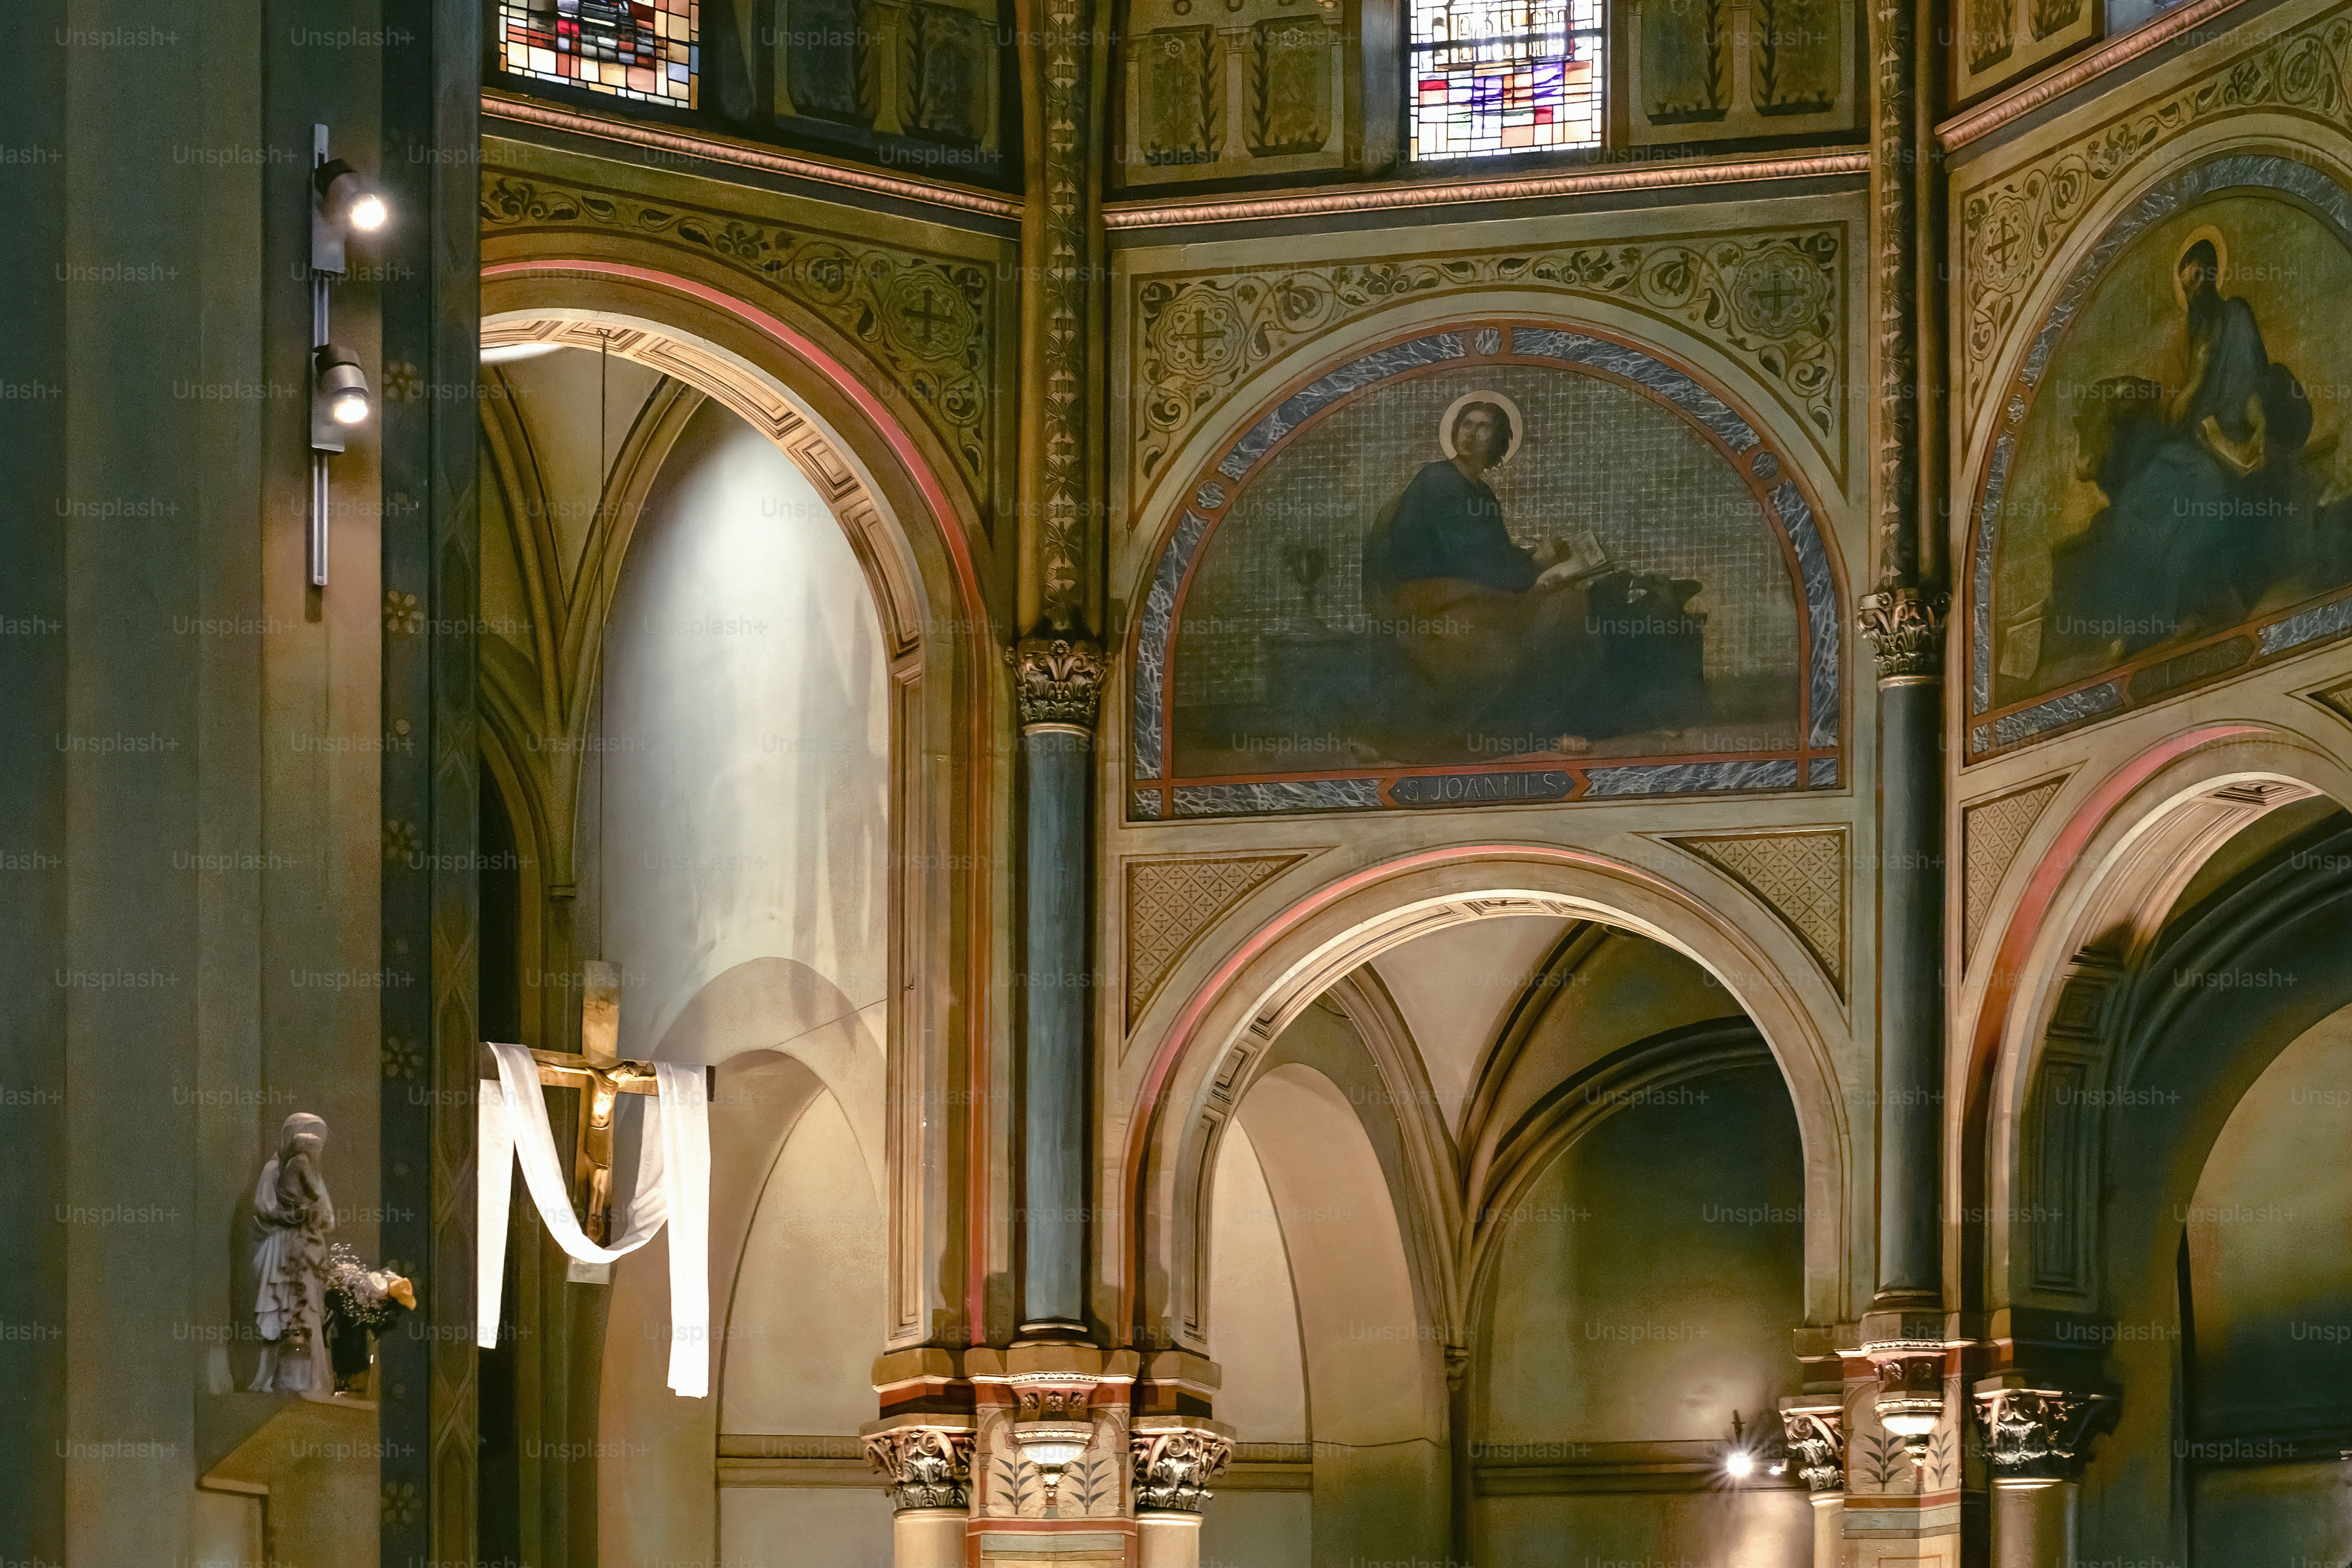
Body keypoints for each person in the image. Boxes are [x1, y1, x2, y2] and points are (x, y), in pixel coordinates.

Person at [1361, 399, 1701, 756]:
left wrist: (1534, 557)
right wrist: (1535, 568)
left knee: (1576, 597)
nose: (1472, 435)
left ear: (1498, 440)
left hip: (1473, 586)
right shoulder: (1438, 480)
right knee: (1564, 609)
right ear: (1454, 429)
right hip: (1434, 596)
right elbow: (1470, 559)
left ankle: (1638, 595)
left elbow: (1490, 555)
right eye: (1467, 424)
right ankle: (1549, 729)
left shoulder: (1482, 493)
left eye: (1483, 428)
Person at [249, 1111, 336, 1394]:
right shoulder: (273, 1169)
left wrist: (309, 1218)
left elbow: (327, 1216)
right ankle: (272, 1377)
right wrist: (292, 1217)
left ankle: (311, 1379)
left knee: (306, 1307)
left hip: (306, 1248)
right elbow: (264, 1208)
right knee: (279, 1308)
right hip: (280, 1247)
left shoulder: (309, 1170)